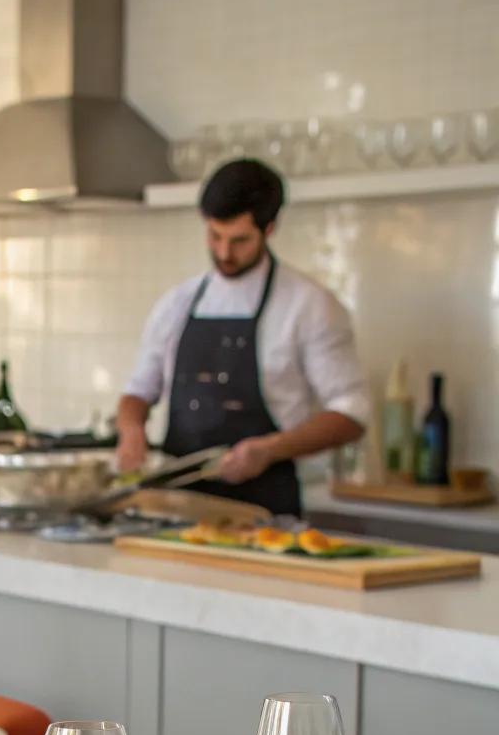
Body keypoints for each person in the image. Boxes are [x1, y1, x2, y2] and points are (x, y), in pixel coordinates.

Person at [116, 159, 368, 516]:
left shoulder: (310, 306)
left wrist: (269, 449)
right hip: (173, 511)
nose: (224, 253)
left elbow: (351, 413)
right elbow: (138, 392)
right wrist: (131, 432)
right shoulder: (177, 304)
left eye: (239, 241)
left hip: (265, 514)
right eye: (215, 236)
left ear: (269, 229)